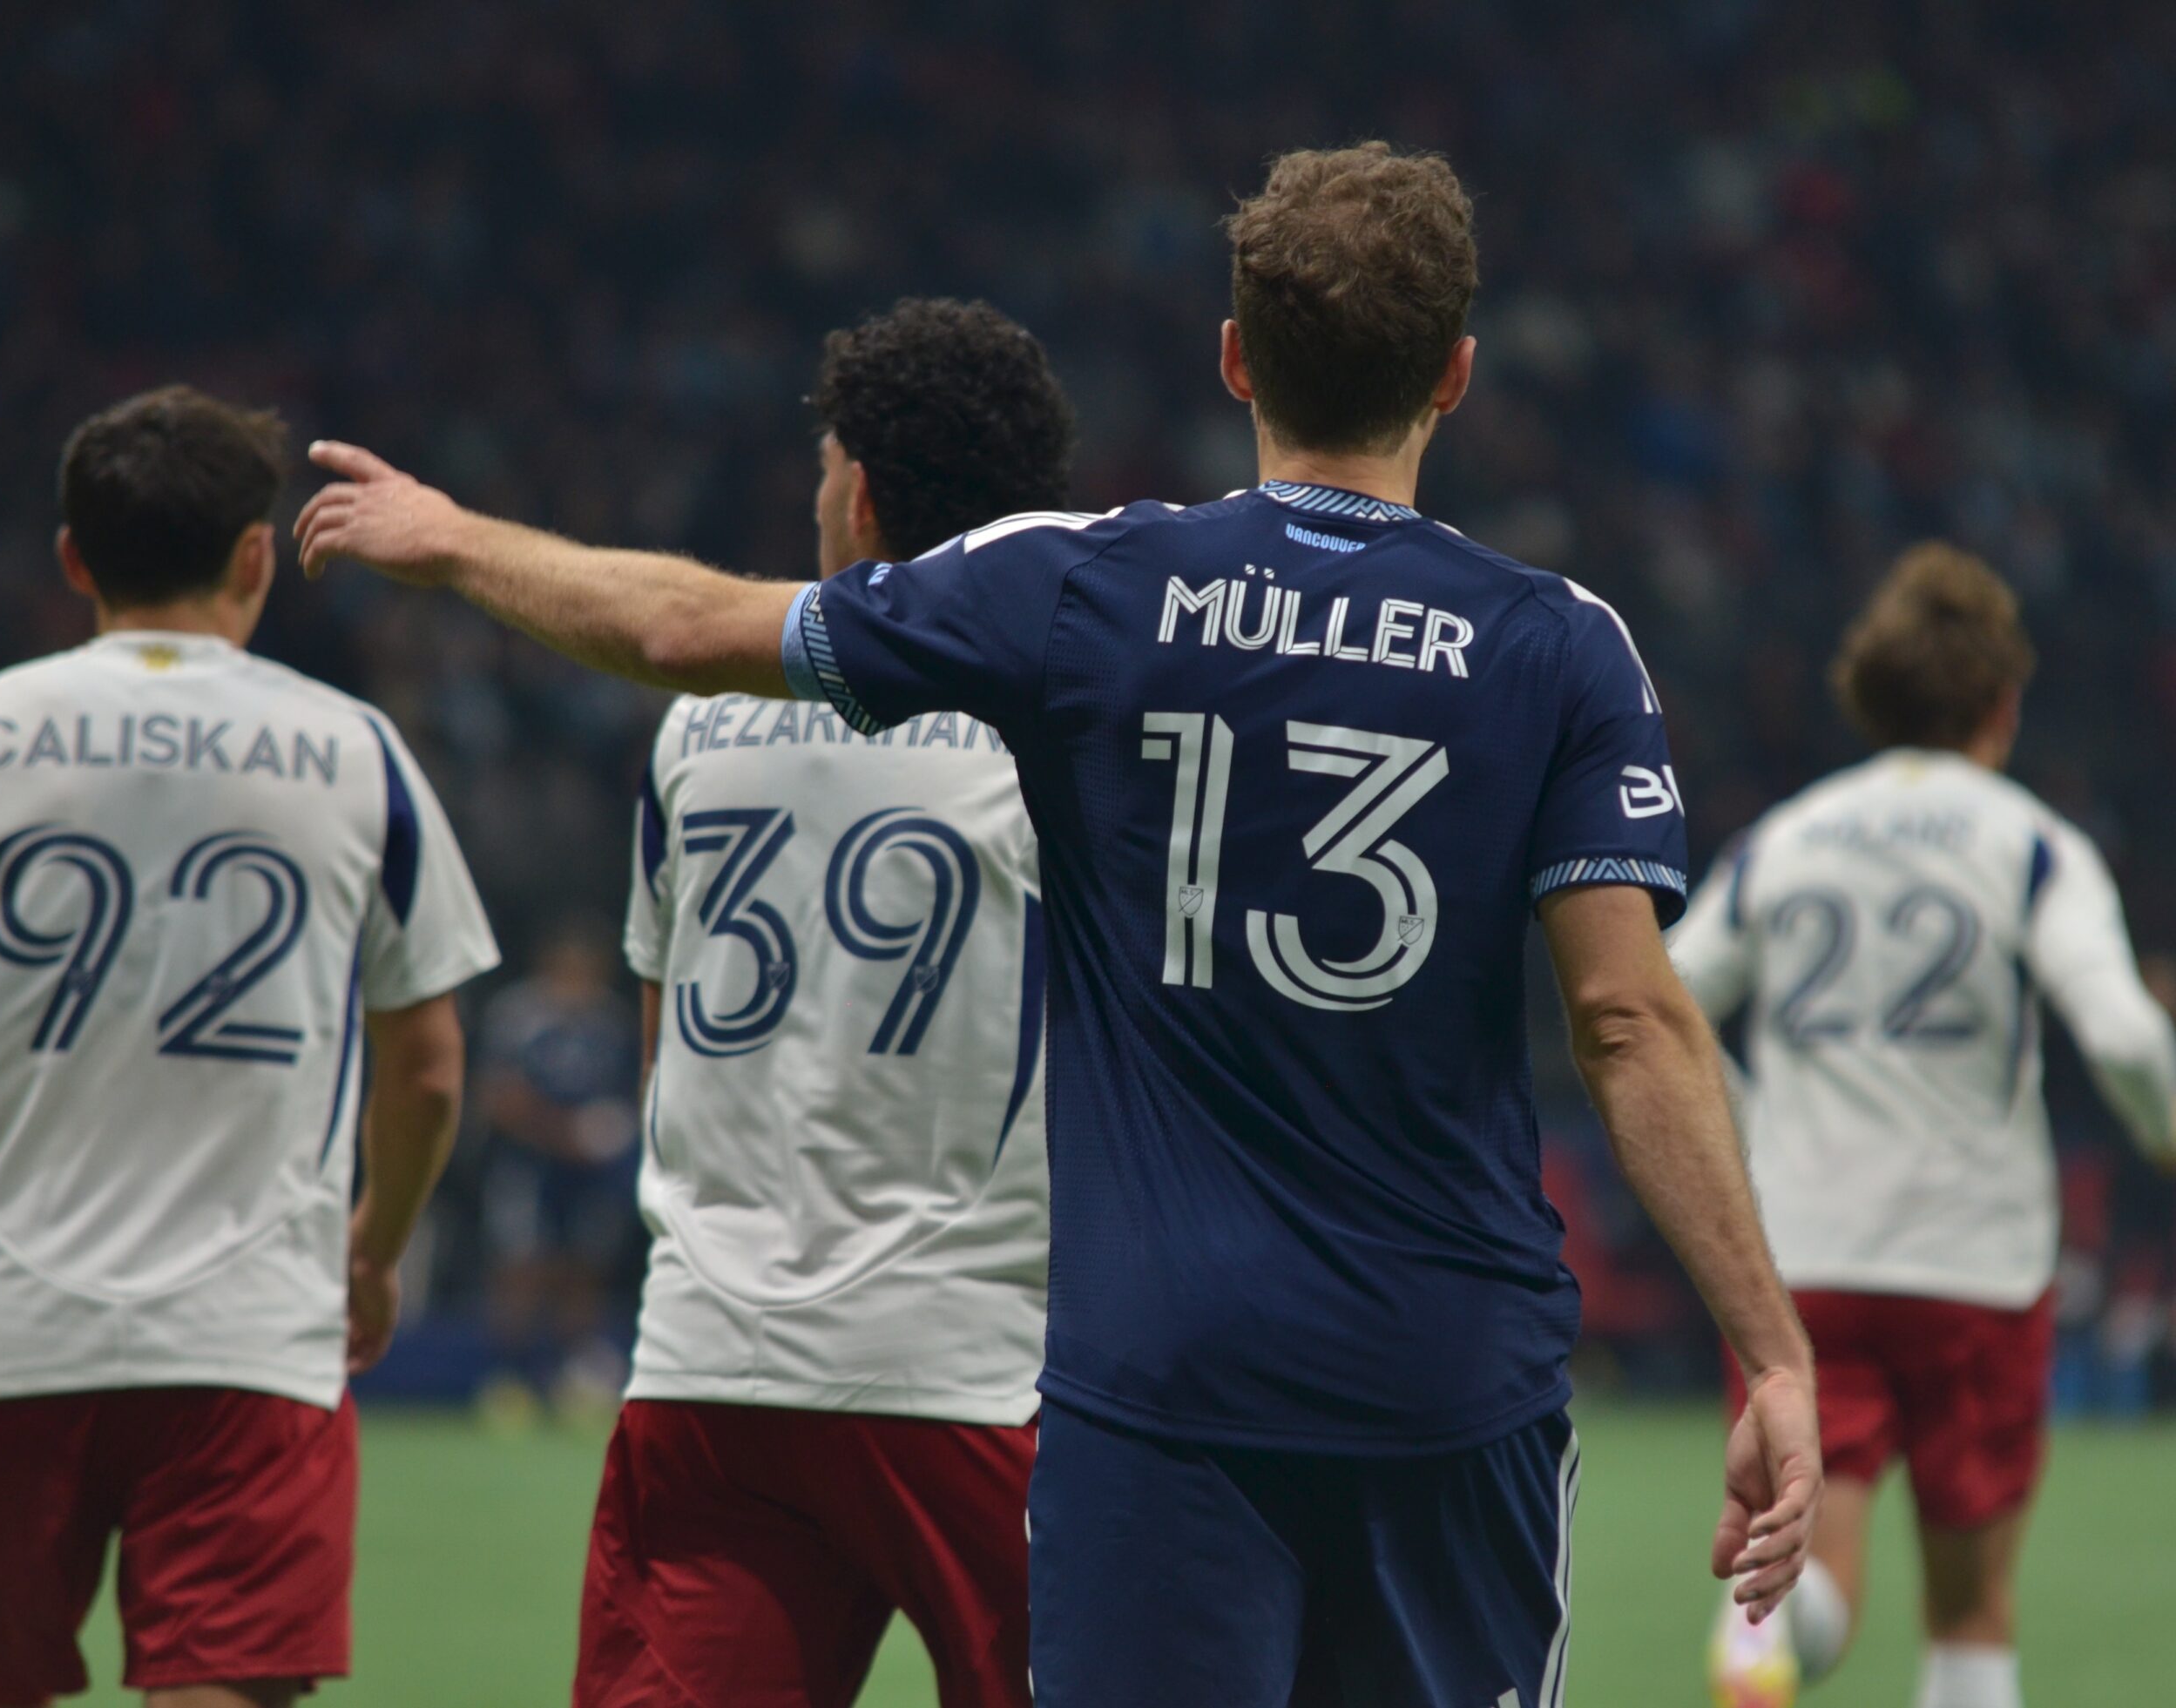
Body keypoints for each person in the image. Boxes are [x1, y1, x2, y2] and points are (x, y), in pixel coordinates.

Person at [296, 143, 1821, 1707]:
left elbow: (684, 629)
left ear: (1234, 357)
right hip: (1447, 1381)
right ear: (1457, 373)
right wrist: (1767, 1349)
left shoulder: (1088, 587)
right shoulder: (1561, 649)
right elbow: (1628, 1020)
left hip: (1157, 1390)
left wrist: (451, 535)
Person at [0, 387, 498, 1708]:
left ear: (74, 558)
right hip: (250, 1331)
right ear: (257, 557)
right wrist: (372, 1250)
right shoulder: (352, 750)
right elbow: (425, 1067)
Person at [586, 298, 1068, 1708]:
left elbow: (661, 1030)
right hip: (985, 1372)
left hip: (710, 1368)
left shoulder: (696, 724)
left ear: (856, 493)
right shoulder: (1057, 717)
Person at [1671, 544, 2176, 1708]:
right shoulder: (2031, 841)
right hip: (1975, 1261)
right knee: (1969, 1608)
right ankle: (1773, 1640)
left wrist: (1746, 1139)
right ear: (2003, 704)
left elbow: (1667, 1001)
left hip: (1800, 1261)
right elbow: (2130, 1040)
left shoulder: (1786, 841)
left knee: (1811, 1547)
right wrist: (2161, 1132)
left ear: (1870, 697)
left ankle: (1763, 1642)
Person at [473, 918, 644, 1414]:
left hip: (592, 1172)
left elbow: (631, 1086)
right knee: (523, 1267)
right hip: (531, 1167)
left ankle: (574, 1377)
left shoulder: (610, 1021)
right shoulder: (520, 1015)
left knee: (583, 1268)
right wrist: (566, 1133)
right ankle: (509, 1380)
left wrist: (612, 1129)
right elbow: (498, 1095)